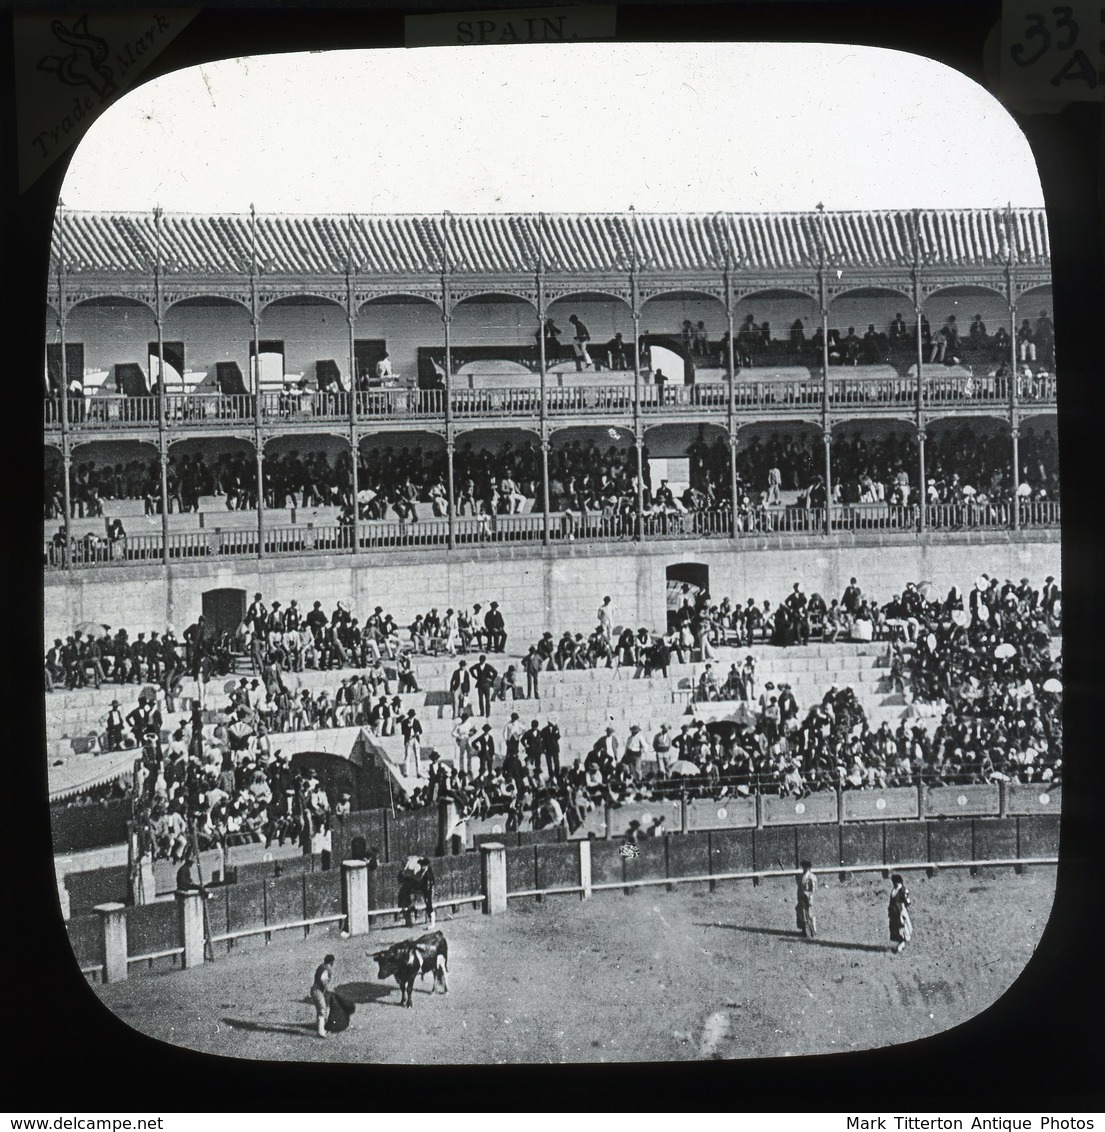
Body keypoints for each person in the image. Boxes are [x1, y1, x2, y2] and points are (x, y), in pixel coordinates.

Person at [311, 954, 335, 1039]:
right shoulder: (326, 969)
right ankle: (321, 1032)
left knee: (326, 1008)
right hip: (318, 991)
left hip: (317, 990)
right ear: (332, 962)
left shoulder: (321, 966)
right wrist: (327, 989)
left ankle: (323, 1027)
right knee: (322, 1010)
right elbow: (323, 980)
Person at [888, 873, 913, 954]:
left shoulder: (899, 890)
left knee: (902, 928)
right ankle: (900, 946)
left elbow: (907, 901)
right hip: (897, 912)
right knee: (900, 929)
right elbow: (907, 902)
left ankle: (900, 946)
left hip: (899, 912)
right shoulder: (896, 890)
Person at [796, 859, 817, 939]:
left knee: (810, 914)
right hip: (801, 897)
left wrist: (808, 894)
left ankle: (812, 931)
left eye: (806, 867)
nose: (804, 868)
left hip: (808, 897)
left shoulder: (811, 877)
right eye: (803, 867)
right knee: (802, 913)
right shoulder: (802, 876)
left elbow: (813, 889)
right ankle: (804, 931)